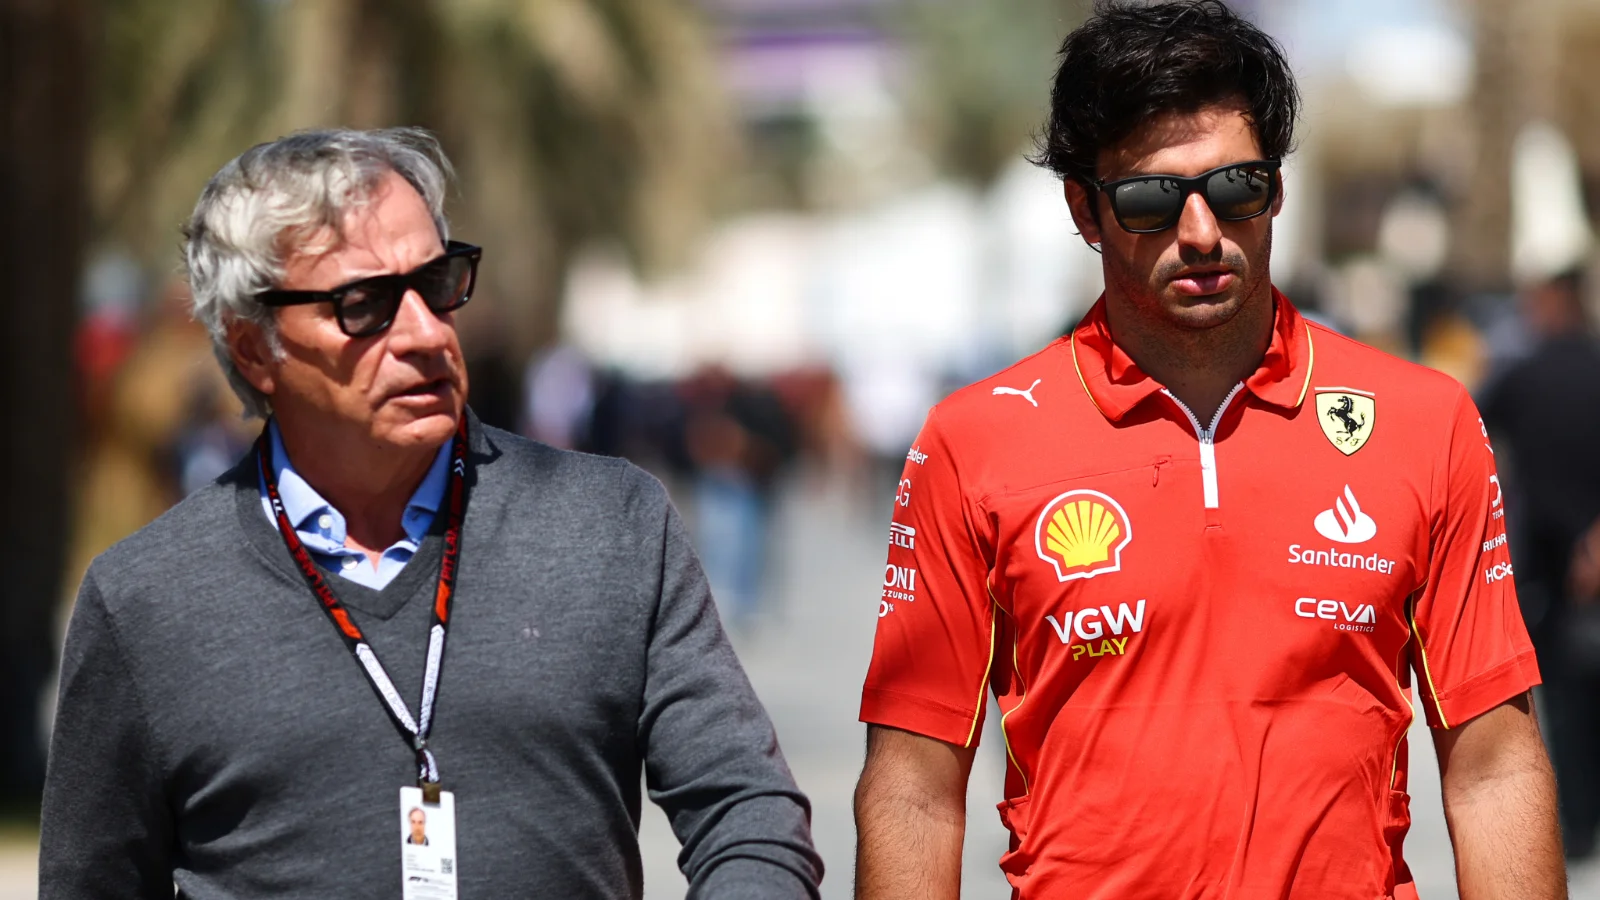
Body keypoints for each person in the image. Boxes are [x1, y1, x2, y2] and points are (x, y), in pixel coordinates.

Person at [852, 3, 1562, 898]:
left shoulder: (1426, 420)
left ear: (1275, 190)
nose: (1200, 233)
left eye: (1236, 189)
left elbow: (1492, 766)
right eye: (1152, 199)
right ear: (1084, 208)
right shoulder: (973, 440)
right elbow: (916, 786)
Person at [39, 128, 822, 898]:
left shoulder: (610, 524)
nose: (424, 333)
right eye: (364, 304)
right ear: (253, 348)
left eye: (438, 284)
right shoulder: (145, 599)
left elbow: (746, 810)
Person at [1482, 268, 1600, 861]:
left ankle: (1580, 826)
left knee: (1568, 707)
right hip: (1578, 555)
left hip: (1554, 566)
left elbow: (1472, 434)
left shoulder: (1524, 376)